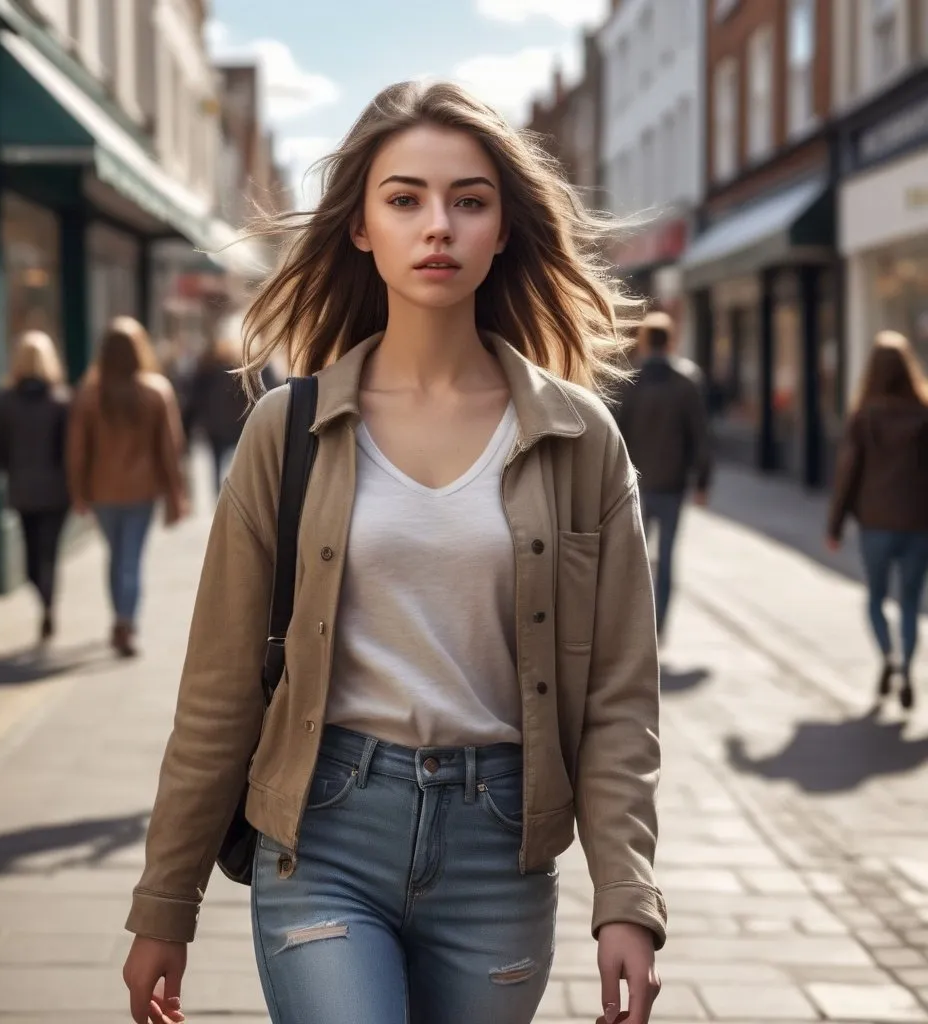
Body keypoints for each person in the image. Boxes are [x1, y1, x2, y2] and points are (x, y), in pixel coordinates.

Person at [122, 81, 665, 1024]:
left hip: (500, 850)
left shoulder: (581, 440)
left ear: (504, 228)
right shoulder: (284, 432)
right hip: (324, 830)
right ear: (362, 227)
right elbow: (216, 689)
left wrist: (627, 896)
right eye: (405, 198)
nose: (438, 226)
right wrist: (166, 902)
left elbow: (620, 695)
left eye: (470, 200)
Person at [67, 317, 187, 658]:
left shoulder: (89, 393)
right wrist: (176, 493)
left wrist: (78, 491)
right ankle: (126, 620)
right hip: (142, 490)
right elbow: (170, 448)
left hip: (102, 490)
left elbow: (77, 451)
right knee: (130, 556)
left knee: (116, 555)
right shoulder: (156, 390)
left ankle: (120, 617)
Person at [826, 330, 928, 710]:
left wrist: (834, 526)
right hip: (919, 525)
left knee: (875, 599)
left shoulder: (864, 417)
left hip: (877, 525)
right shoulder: (924, 415)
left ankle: (887, 656)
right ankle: (906, 667)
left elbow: (847, 476)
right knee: (911, 602)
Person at [614, 310, 711, 639]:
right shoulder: (686, 382)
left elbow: (615, 435)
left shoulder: (628, 382)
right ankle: (659, 625)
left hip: (634, 486)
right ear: (670, 341)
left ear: (643, 341)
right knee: (667, 557)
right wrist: (703, 481)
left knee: (633, 558)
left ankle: (633, 623)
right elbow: (700, 435)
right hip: (672, 484)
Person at [0, 331, 70, 642]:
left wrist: (1, 471)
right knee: (49, 554)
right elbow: (69, 451)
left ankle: (45, 601)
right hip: (55, 490)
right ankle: (48, 604)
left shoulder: (4, 401)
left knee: (32, 558)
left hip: (23, 488)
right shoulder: (60, 400)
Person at [184, 338, 283, 498]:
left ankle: (225, 497)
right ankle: (228, 497)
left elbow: (195, 400)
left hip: (222, 425)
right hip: (229, 425)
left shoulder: (211, 369)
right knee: (235, 463)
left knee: (226, 464)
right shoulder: (220, 369)